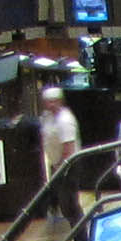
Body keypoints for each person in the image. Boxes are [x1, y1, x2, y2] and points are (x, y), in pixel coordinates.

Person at [40, 86, 83, 221]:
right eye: (48, 101)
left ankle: (82, 240)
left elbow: (68, 148)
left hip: (68, 166)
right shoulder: (47, 116)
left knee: (70, 205)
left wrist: (61, 167)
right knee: (64, 204)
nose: (51, 104)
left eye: (54, 101)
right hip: (57, 164)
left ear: (60, 101)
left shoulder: (65, 120)